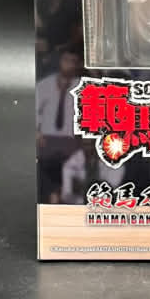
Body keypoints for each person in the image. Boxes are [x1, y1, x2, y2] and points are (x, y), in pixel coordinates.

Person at [36, 49, 84, 202]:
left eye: (73, 62)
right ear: (60, 62)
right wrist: (36, 132)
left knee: (75, 164)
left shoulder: (82, 86)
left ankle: (64, 197)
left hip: (71, 141)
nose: (69, 65)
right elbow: (33, 111)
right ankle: (51, 195)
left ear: (78, 65)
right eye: (66, 60)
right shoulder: (44, 85)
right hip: (46, 139)